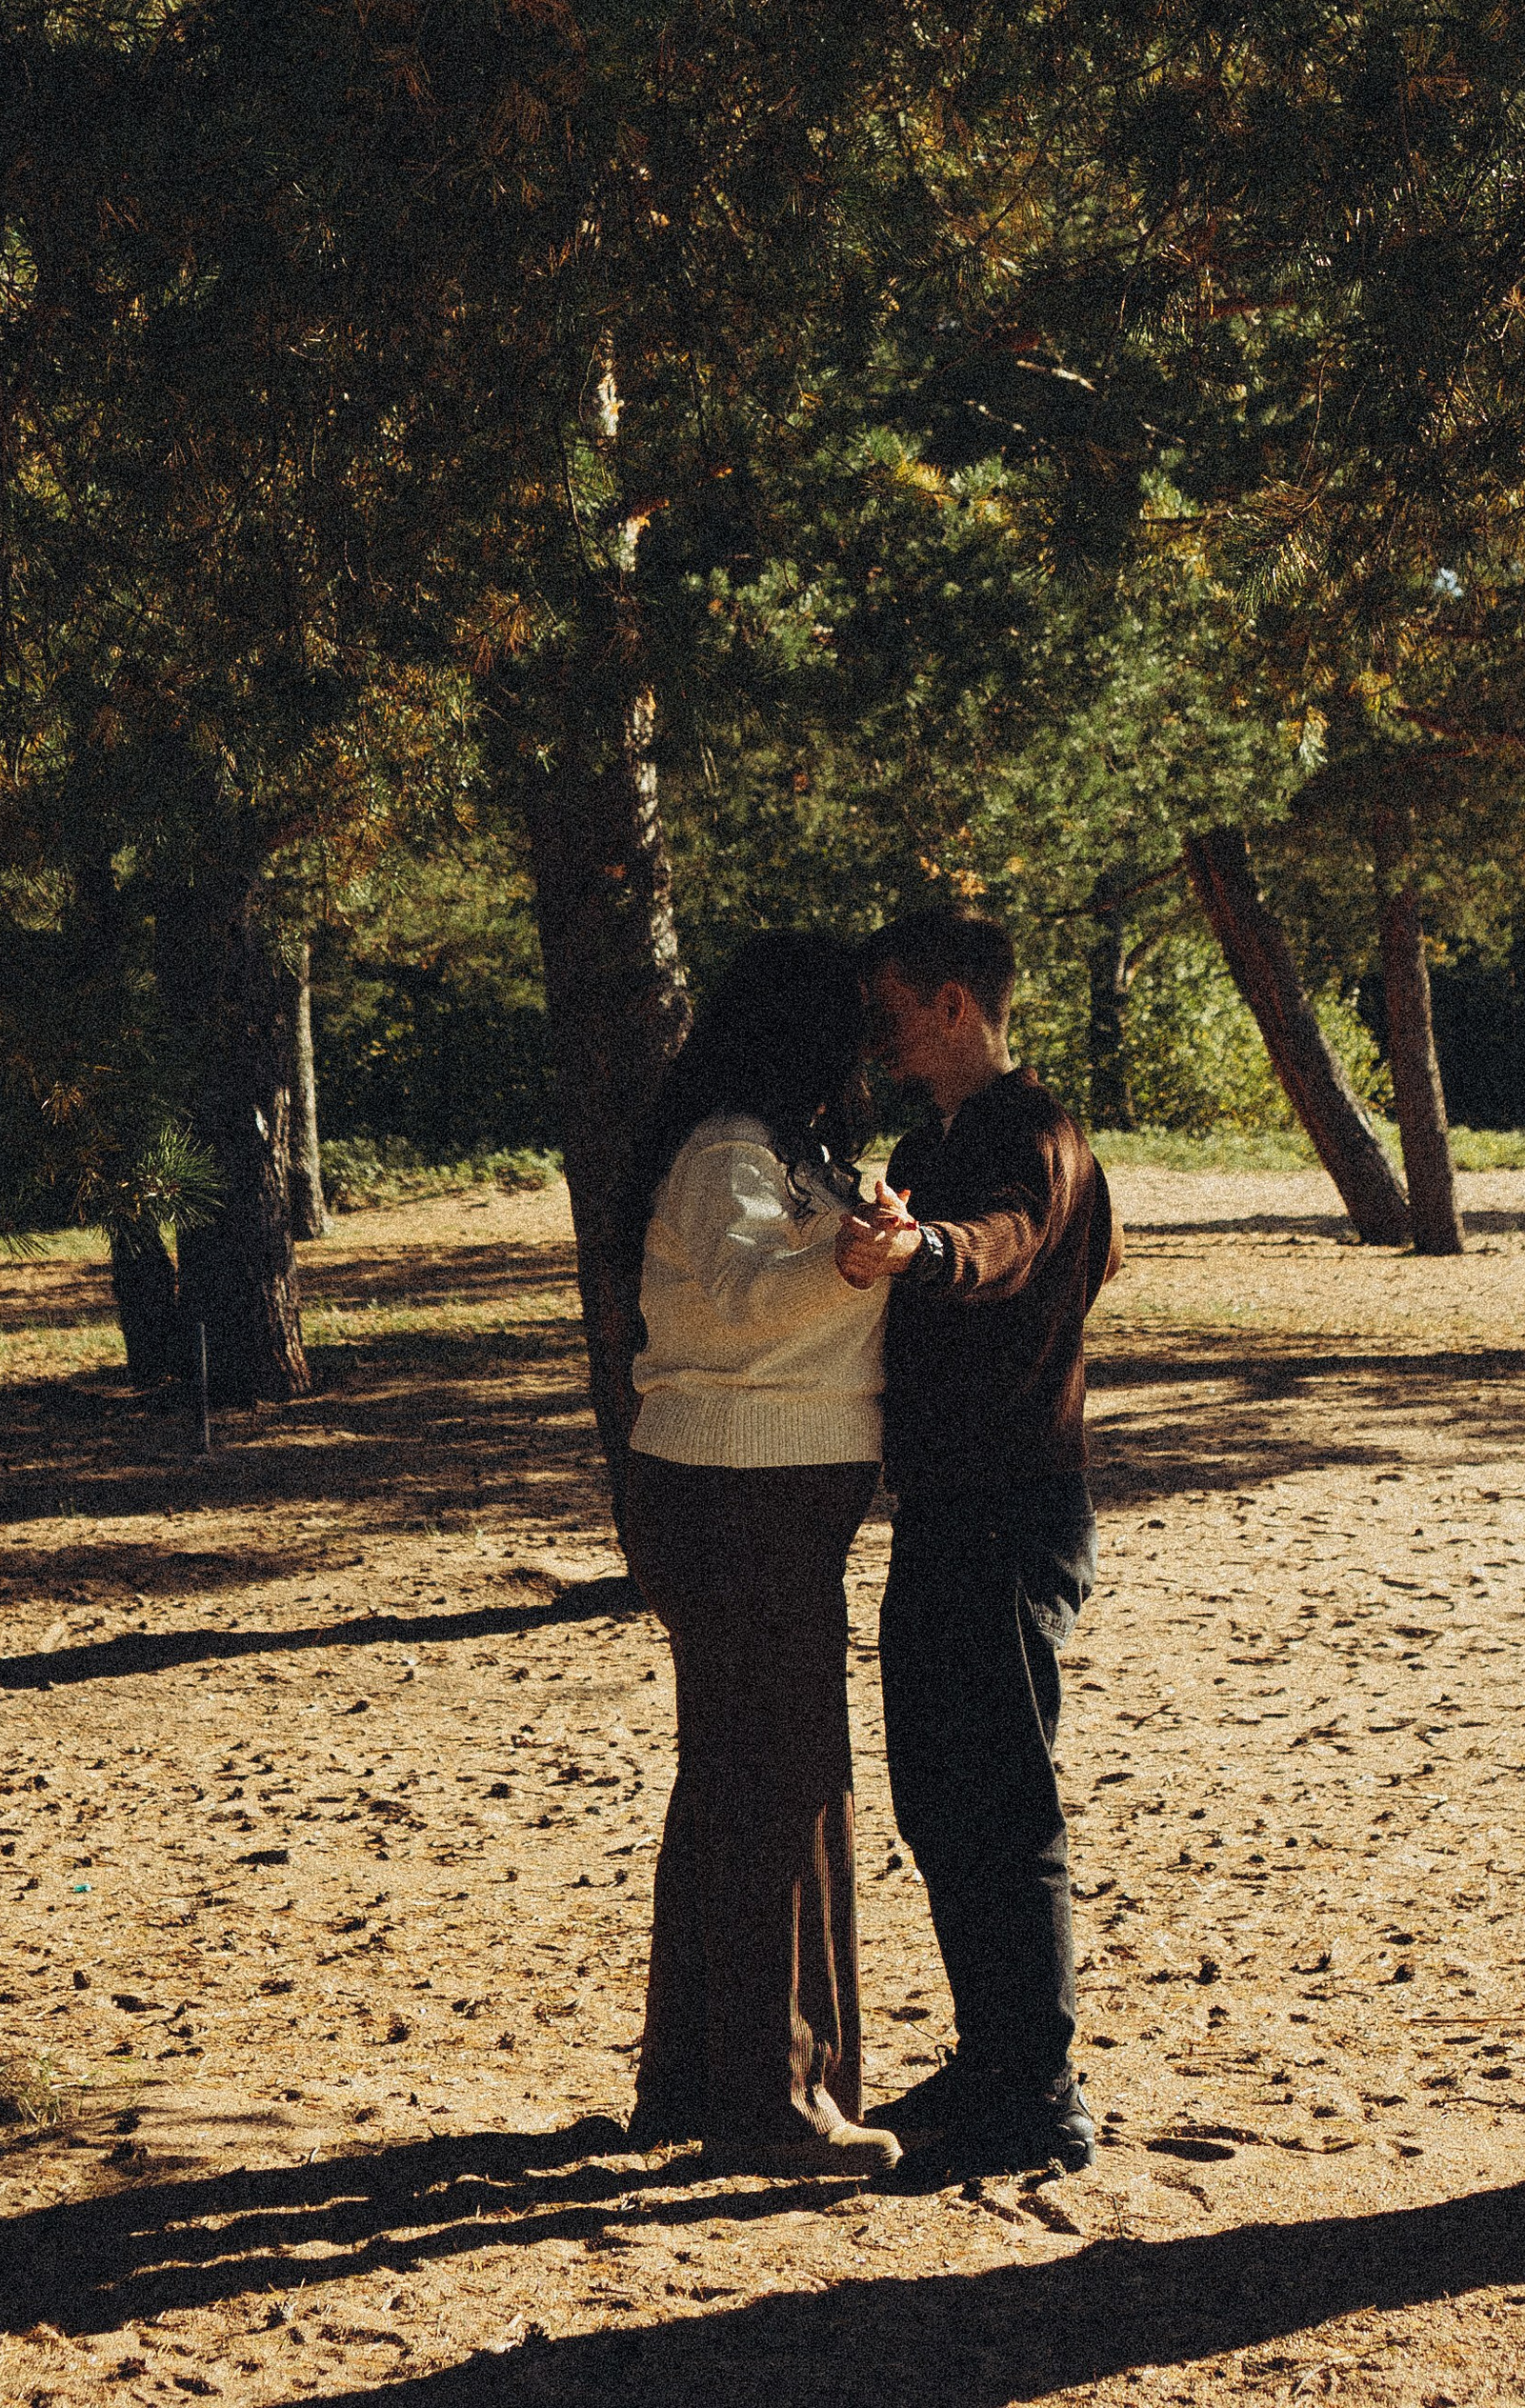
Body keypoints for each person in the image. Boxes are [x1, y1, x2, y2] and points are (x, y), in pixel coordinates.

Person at [835, 906, 1120, 2179]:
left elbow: (1003, 1244)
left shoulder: (1033, 1137)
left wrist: (928, 1247)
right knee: (940, 1796)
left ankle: (1040, 2093)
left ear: (957, 1005)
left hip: (1013, 1511)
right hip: (946, 1507)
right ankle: (995, 2059)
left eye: (896, 1010)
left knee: (1002, 1800)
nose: (882, 1037)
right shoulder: (924, 1140)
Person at [620, 930, 902, 2175]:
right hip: (740, 1489)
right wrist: (845, 1260)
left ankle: (698, 2082)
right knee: (777, 1783)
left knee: (741, 1777)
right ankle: (772, 2097)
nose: (871, 1052)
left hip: (758, 1488)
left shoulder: (774, 1147)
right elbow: (736, 1301)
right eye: (855, 1024)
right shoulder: (726, 1149)